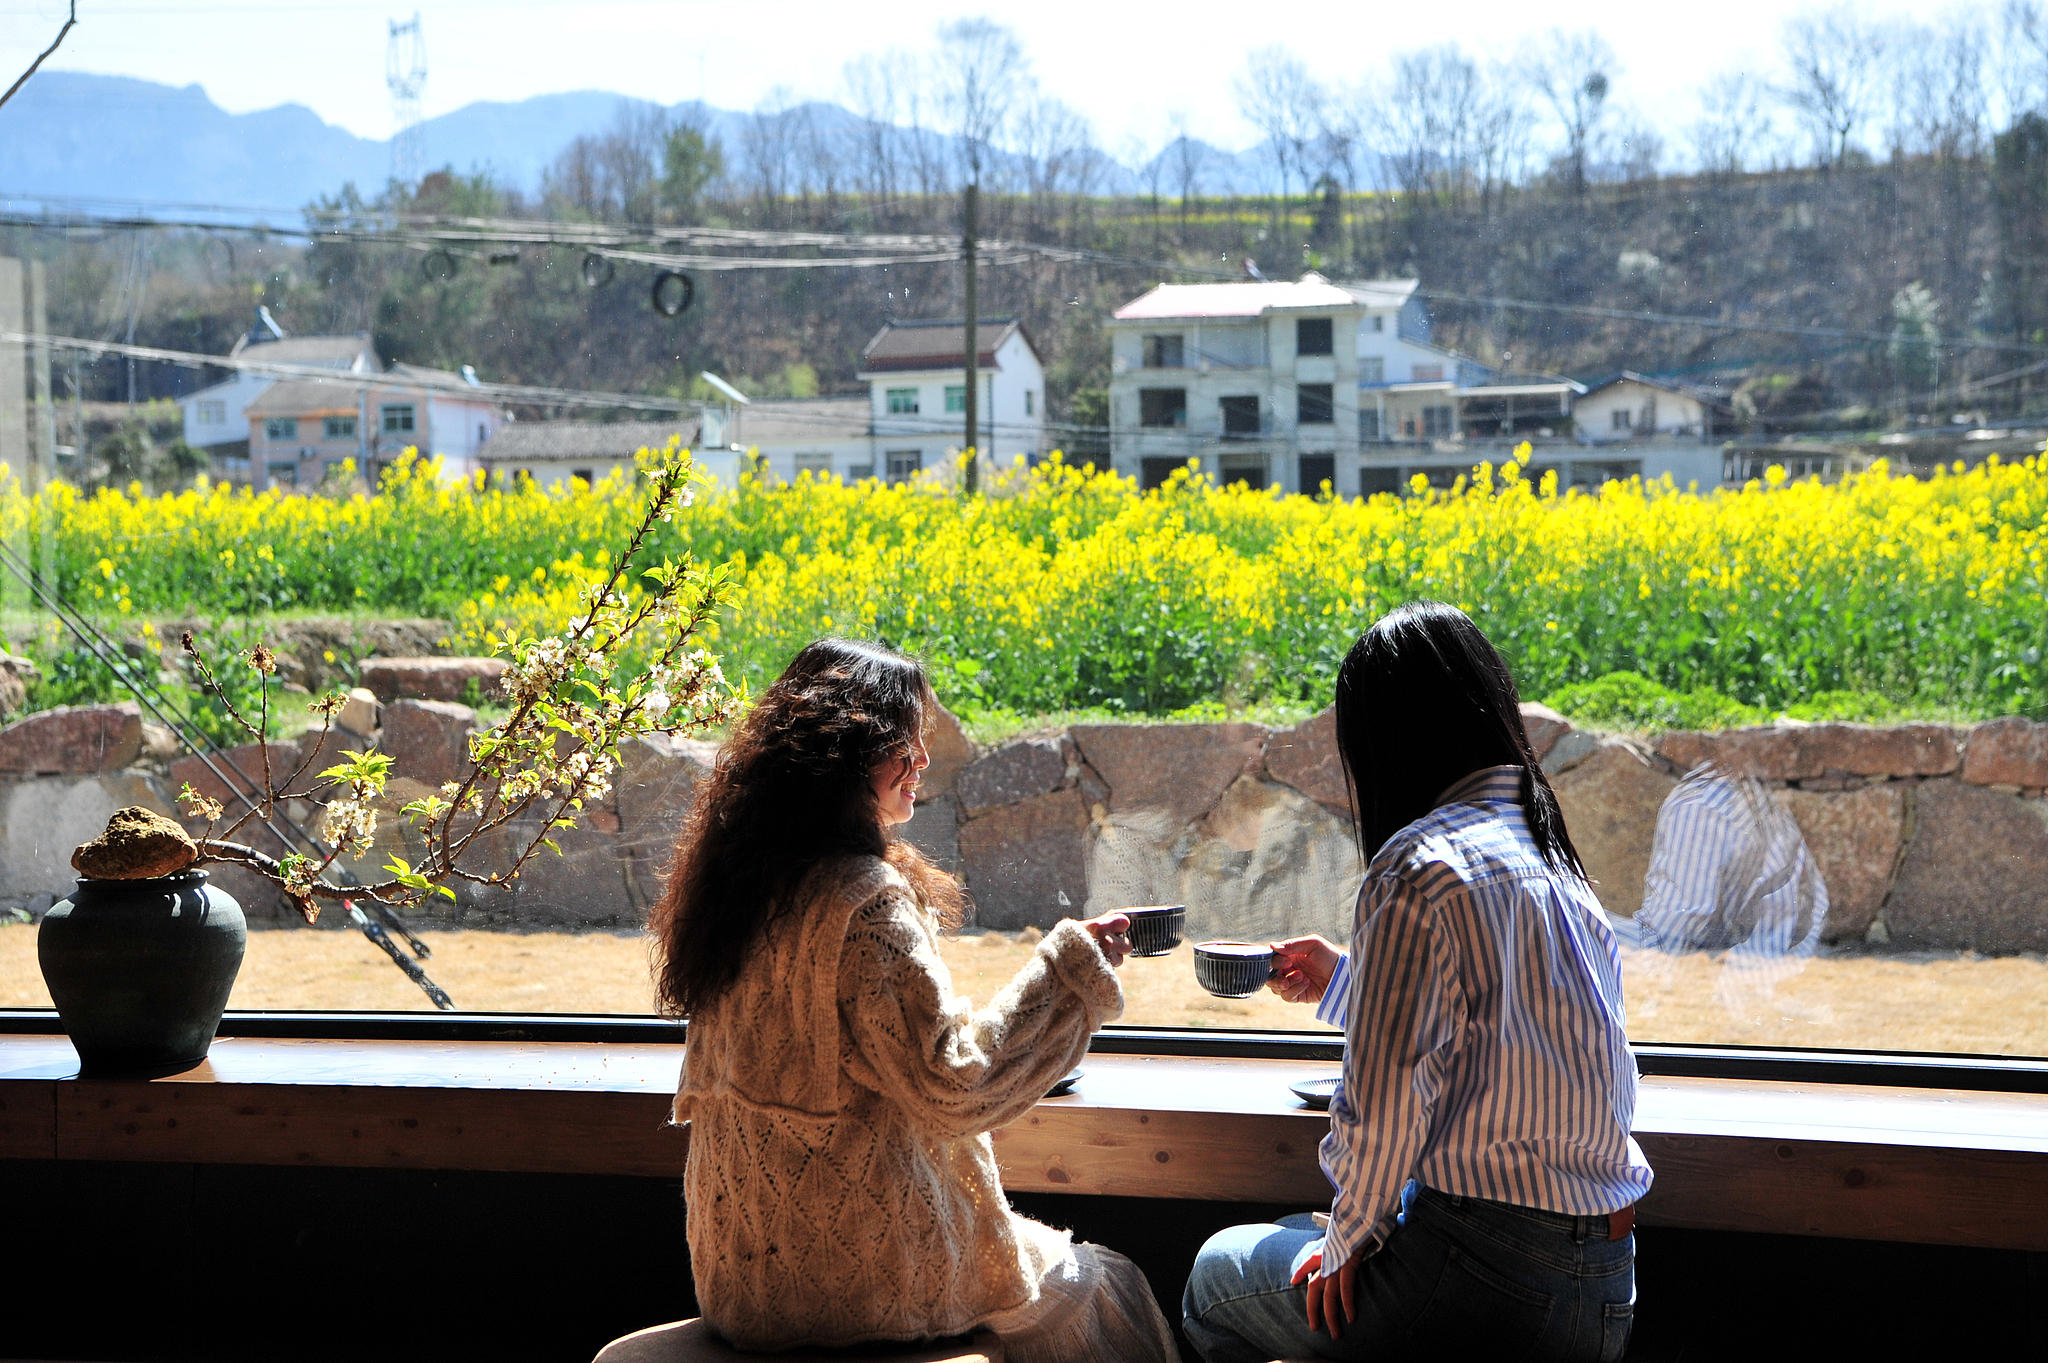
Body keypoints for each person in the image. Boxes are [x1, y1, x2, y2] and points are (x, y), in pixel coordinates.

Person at [644, 638, 1178, 1363]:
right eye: (905, 737)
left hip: (741, 1282)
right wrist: (1071, 967)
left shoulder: (737, 889)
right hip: (860, 1281)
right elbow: (952, 1084)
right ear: (846, 753)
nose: (924, 754)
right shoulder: (863, 904)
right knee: (1107, 1283)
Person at [1182, 601, 1654, 1363]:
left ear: (1385, 743)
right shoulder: (1552, 860)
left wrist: (1345, 1241)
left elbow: (1386, 1102)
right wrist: (1346, 985)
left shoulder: (1416, 864)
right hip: (1604, 1288)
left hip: (1485, 1283)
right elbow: (1499, 1036)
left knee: (1217, 1276)